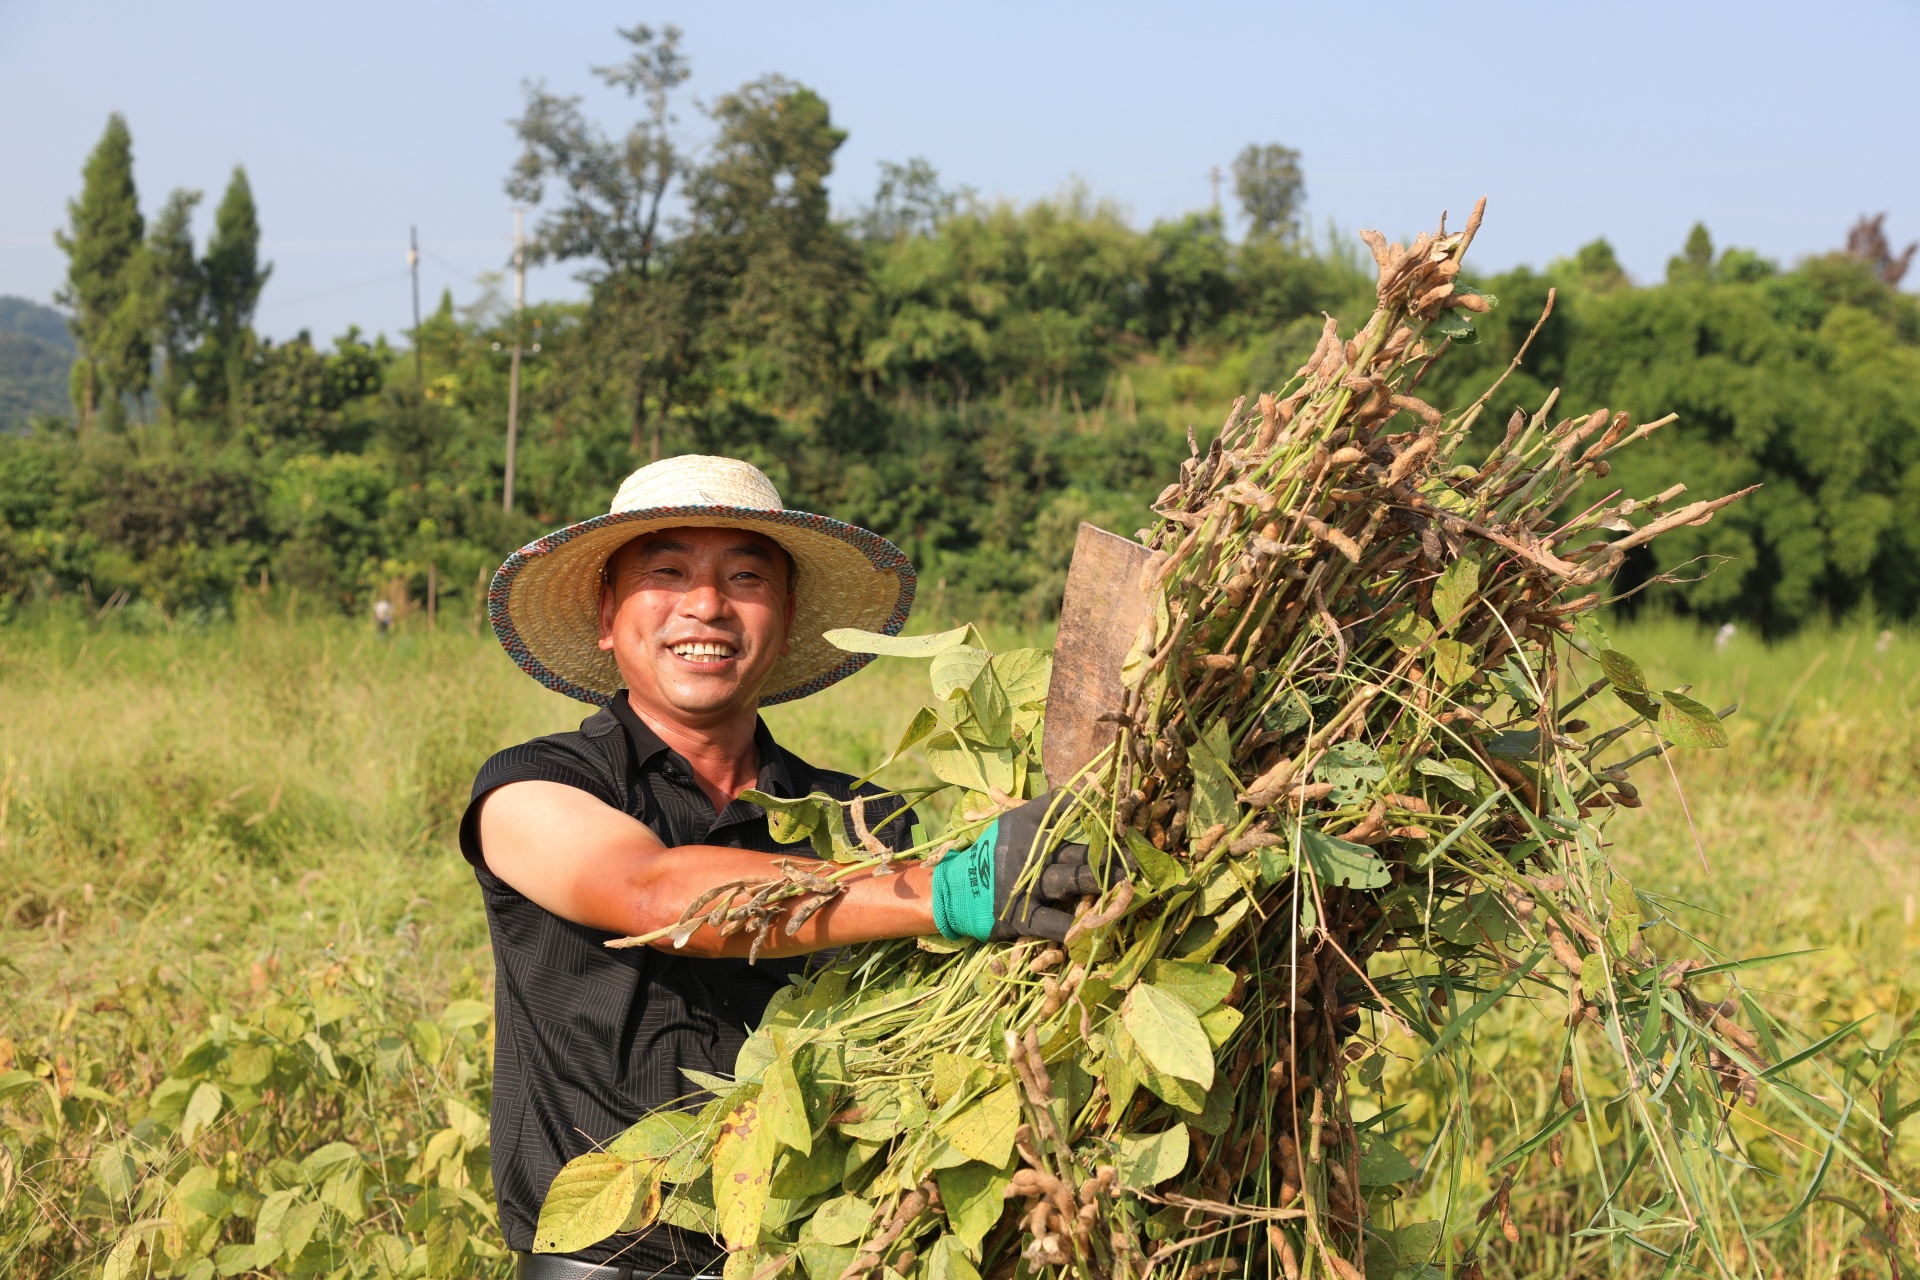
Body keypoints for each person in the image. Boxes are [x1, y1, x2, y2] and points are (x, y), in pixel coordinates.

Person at [463, 456, 1104, 1280]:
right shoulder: (532, 786)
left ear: (787, 616)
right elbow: (655, 894)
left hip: (814, 1255)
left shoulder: (867, 822)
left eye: (744, 576)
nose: (706, 604)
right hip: (604, 1263)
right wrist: (947, 890)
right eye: (667, 571)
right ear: (605, 613)